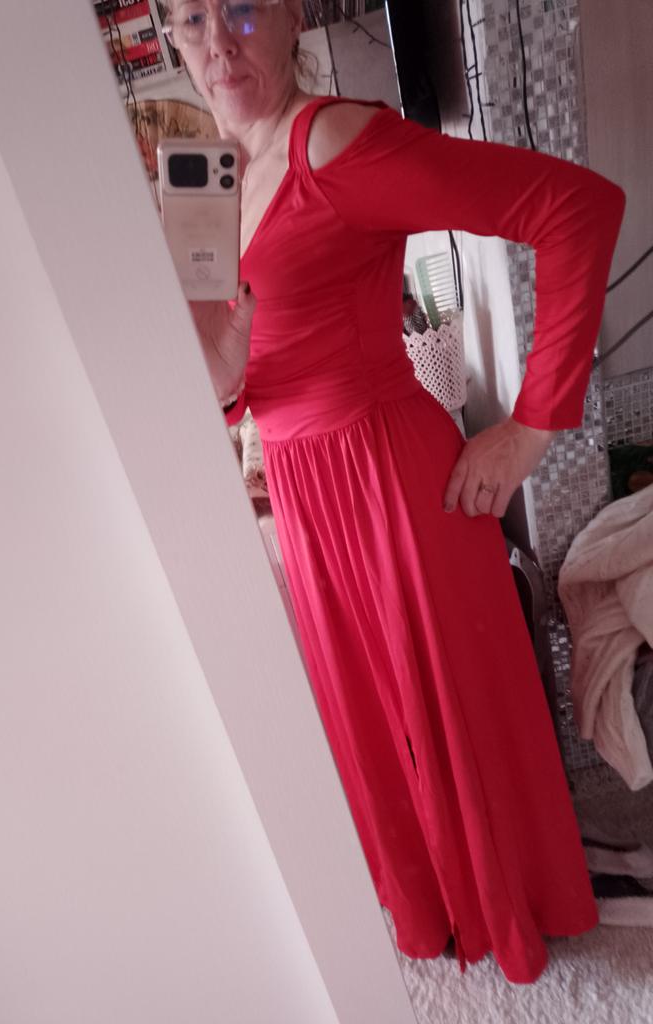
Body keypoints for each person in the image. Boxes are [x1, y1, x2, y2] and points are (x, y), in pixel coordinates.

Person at [161, 0, 626, 984]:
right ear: (167, 37)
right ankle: (448, 904)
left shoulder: (335, 144)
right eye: (191, 18)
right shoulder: (200, 179)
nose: (218, 44)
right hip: (302, 493)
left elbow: (573, 207)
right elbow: (227, 382)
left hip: (389, 479)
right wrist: (228, 375)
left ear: (289, 15)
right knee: (375, 716)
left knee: (450, 703)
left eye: (239, 9)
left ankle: (516, 903)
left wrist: (533, 424)